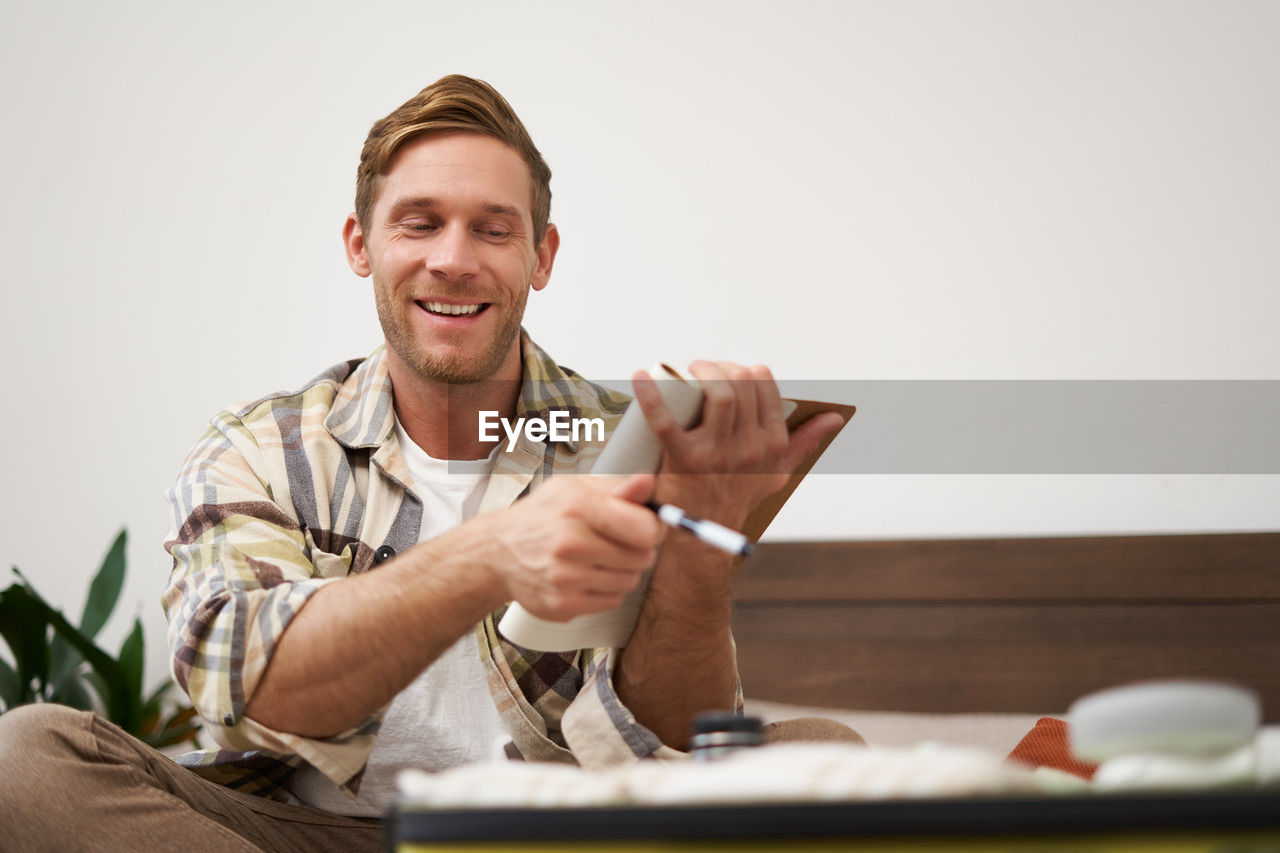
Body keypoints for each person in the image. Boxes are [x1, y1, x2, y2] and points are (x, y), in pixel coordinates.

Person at [0, 74, 844, 852]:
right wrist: (490, 552)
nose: (453, 258)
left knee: (825, 758)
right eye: (419, 221)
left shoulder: (639, 442)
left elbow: (672, 741)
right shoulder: (262, 447)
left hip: (566, 837)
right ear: (360, 243)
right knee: (28, 755)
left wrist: (700, 551)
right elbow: (251, 686)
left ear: (541, 256)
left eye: (492, 227)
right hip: (311, 833)